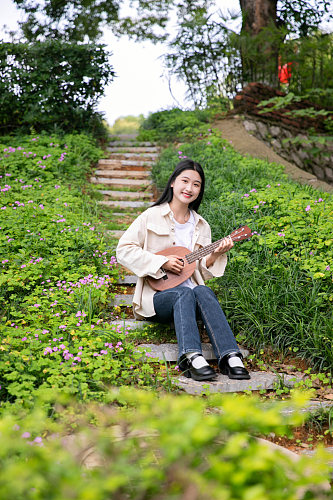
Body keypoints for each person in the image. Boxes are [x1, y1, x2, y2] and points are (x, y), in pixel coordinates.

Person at [116, 159, 250, 382]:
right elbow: (123, 250)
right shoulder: (151, 216)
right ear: (172, 183)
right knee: (184, 292)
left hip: (193, 297)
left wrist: (215, 253)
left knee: (203, 291)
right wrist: (160, 263)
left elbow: (200, 270)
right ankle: (190, 356)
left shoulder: (201, 225)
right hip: (158, 297)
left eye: (196, 184)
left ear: (200, 190)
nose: (189, 188)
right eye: (185, 181)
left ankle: (230, 356)